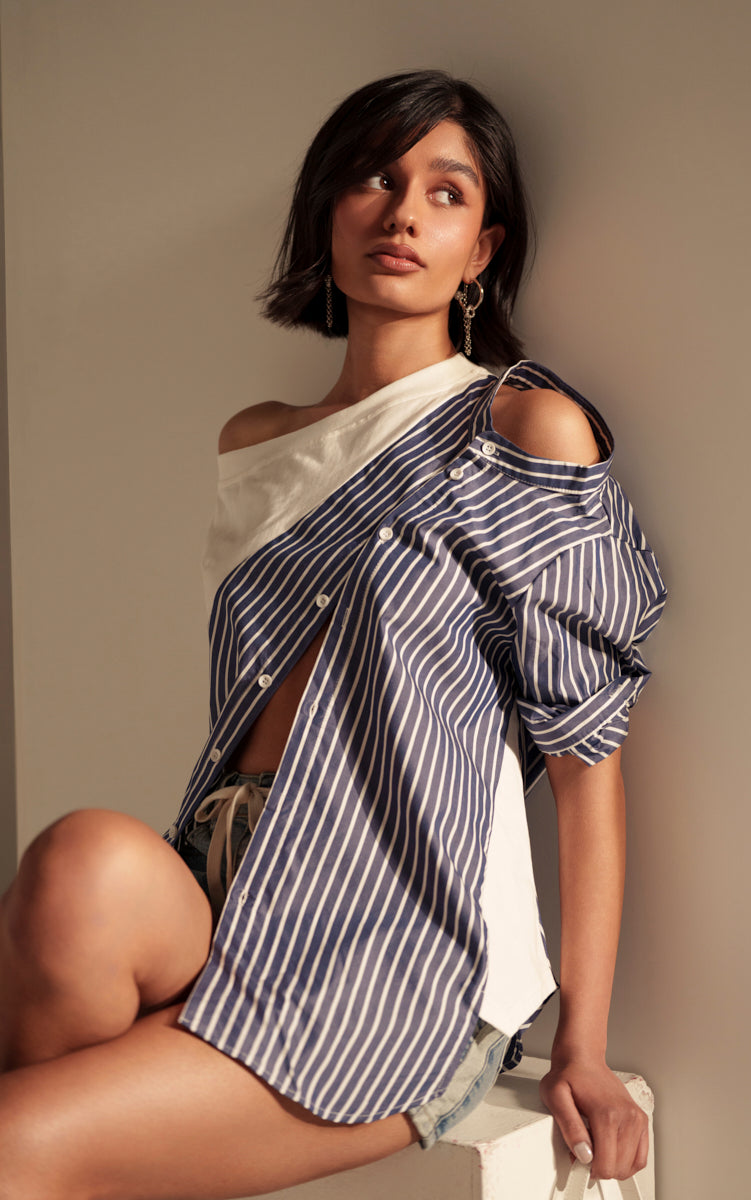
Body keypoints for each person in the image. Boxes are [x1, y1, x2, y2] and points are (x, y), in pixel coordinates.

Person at [0, 70, 665, 1198]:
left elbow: (585, 772)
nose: (402, 210)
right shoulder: (256, 441)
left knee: (16, 1138)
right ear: (327, 213)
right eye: (373, 177)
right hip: (225, 885)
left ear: (481, 249)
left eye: (443, 192)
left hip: (389, 945)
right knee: (80, 860)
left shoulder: (521, 430)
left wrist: (582, 1049)